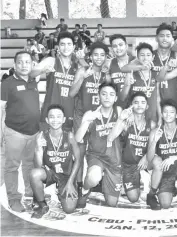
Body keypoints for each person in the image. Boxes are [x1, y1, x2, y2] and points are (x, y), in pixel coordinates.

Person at [69, 41, 110, 197]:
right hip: (82, 116)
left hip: (99, 119)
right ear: (90, 56)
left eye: (102, 55)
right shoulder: (82, 70)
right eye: (95, 55)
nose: (99, 58)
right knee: (79, 151)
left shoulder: (106, 75)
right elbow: (72, 93)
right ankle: (79, 185)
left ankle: (97, 182)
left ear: (106, 57)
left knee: (98, 150)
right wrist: (82, 78)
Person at [1, 51, 40, 212]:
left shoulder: (33, 81)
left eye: (27, 62)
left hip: (33, 132)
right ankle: (14, 198)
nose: (24, 65)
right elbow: (1, 108)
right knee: (12, 166)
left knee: (29, 165)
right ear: (14, 65)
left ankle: (30, 192)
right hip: (14, 132)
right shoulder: (7, 83)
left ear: (32, 65)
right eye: (20, 62)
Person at [76, 82, 123, 207]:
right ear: (99, 96)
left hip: (114, 159)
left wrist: (122, 120)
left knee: (112, 203)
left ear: (116, 98)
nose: (107, 97)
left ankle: (103, 183)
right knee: (93, 177)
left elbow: (115, 135)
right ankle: (85, 190)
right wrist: (85, 122)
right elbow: (77, 138)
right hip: (96, 156)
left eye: (111, 94)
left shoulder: (119, 112)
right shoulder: (90, 114)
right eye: (104, 94)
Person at [30, 104, 81, 218]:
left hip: (66, 175)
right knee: (34, 174)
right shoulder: (42, 136)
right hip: (51, 173)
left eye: (58, 117)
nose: (55, 120)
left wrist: (70, 183)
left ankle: (63, 190)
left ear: (63, 120)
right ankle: (42, 203)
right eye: (52, 117)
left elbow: (78, 160)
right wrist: (38, 149)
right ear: (47, 120)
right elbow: (38, 167)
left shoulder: (70, 136)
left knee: (69, 209)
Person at [107, 92, 157, 203]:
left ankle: (147, 178)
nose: (139, 105)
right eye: (136, 102)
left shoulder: (152, 124)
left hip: (145, 162)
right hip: (128, 165)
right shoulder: (126, 123)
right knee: (134, 198)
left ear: (147, 106)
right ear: (131, 105)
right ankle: (132, 180)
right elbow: (110, 137)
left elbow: (156, 145)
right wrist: (120, 119)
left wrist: (145, 157)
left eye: (143, 102)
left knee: (157, 160)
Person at [30, 31, 81, 132]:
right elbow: (30, 74)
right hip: (50, 113)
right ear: (58, 47)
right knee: (46, 145)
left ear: (74, 47)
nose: (66, 47)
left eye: (69, 44)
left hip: (70, 112)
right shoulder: (51, 61)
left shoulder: (78, 67)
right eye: (62, 44)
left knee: (67, 146)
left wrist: (82, 59)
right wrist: (42, 70)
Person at [119, 42, 161, 124]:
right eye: (142, 55)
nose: (145, 58)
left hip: (152, 117)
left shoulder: (156, 74)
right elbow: (123, 97)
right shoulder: (131, 73)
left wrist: (160, 117)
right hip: (133, 117)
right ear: (137, 57)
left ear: (152, 57)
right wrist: (127, 85)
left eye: (148, 55)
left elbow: (158, 97)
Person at [105, 34, 135, 109]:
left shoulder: (136, 61)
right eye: (114, 46)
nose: (118, 48)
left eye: (120, 45)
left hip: (135, 106)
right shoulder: (108, 64)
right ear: (111, 49)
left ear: (126, 46)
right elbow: (108, 86)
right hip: (117, 107)